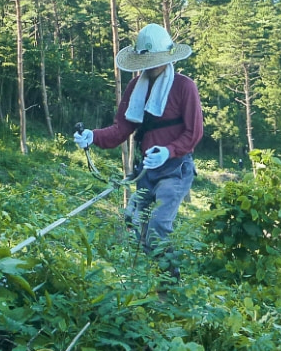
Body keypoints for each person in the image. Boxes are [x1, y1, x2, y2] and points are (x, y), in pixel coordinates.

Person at [74, 23, 203, 278]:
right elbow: (121, 129)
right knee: (135, 221)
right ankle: (148, 281)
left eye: (156, 60)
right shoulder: (136, 88)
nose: (152, 65)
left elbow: (194, 133)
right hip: (146, 171)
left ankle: (169, 285)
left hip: (175, 169)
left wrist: (168, 151)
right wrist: (92, 136)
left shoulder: (184, 86)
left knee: (157, 225)